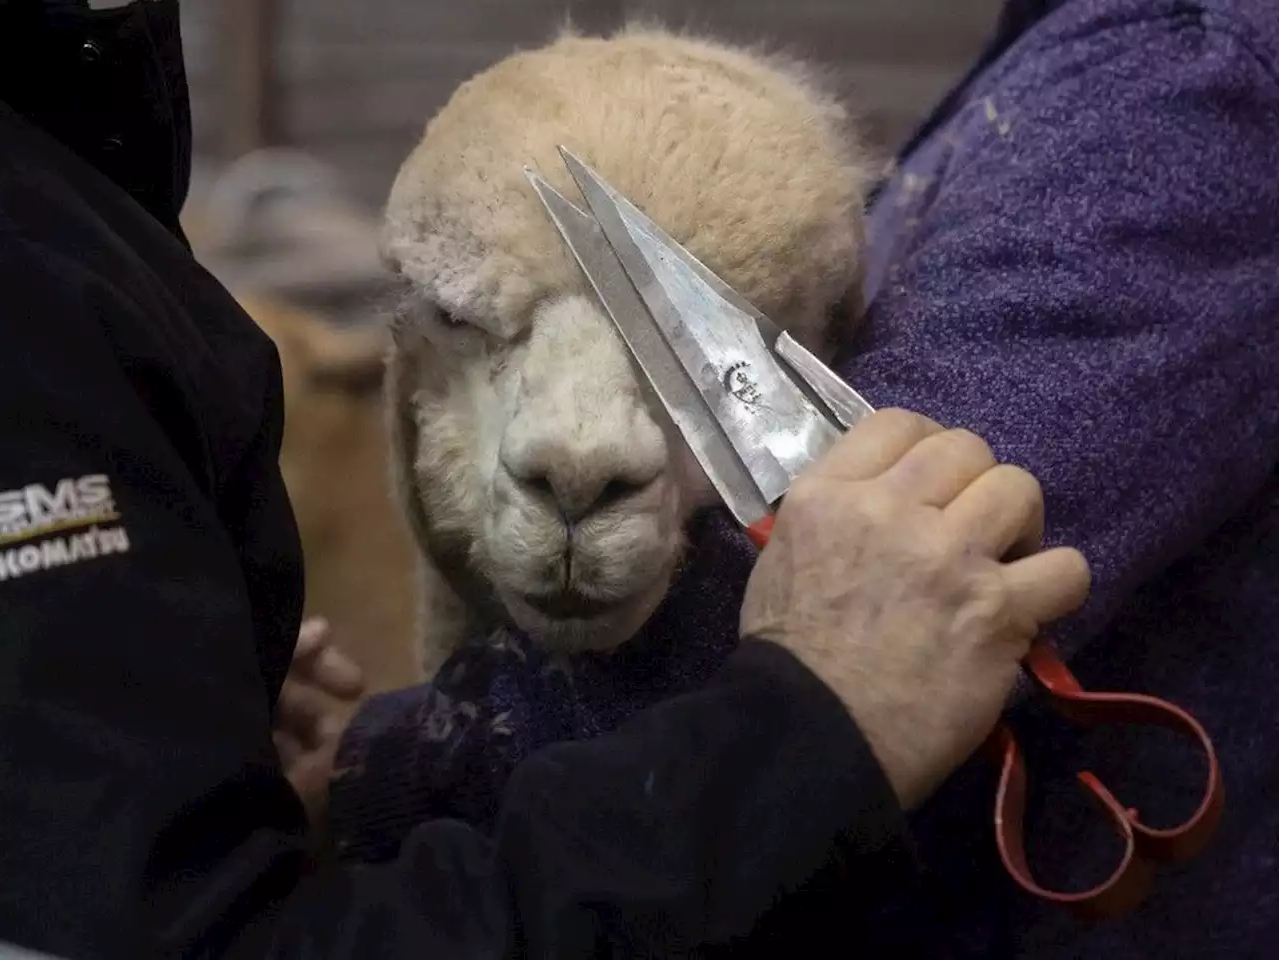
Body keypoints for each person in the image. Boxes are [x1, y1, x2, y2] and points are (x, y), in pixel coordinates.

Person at [0, 3, 1091, 958]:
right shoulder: (38, 258)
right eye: (462, 319)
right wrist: (811, 730)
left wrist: (152, 692)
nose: (578, 449)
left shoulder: (71, 152)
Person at [314, 0, 1279, 956]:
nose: (579, 451)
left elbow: (864, 580)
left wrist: (388, 773)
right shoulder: (1088, 48)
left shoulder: (1187, 86)